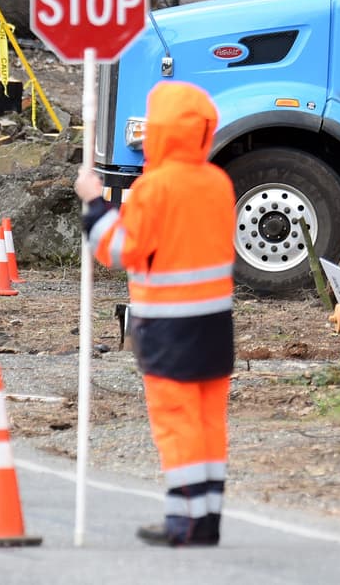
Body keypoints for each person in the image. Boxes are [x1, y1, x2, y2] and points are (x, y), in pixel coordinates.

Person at [75, 80, 236, 547]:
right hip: (215, 324)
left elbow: (119, 249)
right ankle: (206, 517)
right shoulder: (218, 183)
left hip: (169, 326)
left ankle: (185, 521)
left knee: (177, 421)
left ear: (161, 131)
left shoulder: (154, 188)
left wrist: (94, 204)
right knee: (208, 421)